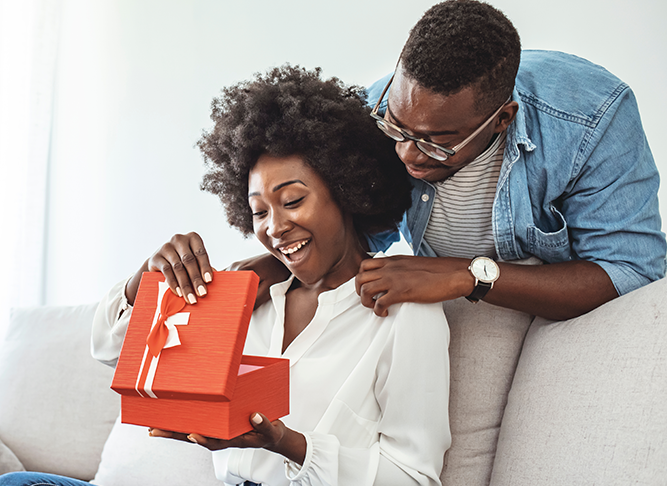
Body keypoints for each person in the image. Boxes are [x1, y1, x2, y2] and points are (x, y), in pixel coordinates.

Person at [0, 65, 451, 486]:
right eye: (259, 212)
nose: (275, 228)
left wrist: (287, 444)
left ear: (347, 192)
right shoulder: (249, 297)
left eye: (292, 201)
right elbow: (111, 354)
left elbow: (413, 477)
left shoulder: (401, 313)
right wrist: (149, 282)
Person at [220, 0, 667, 322]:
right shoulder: (370, 113)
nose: (406, 153)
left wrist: (469, 276)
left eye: (436, 143)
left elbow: (630, 270)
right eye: (398, 127)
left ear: (501, 120)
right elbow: (354, 227)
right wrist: (281, 263)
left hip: (565, 318)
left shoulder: (591, 118)